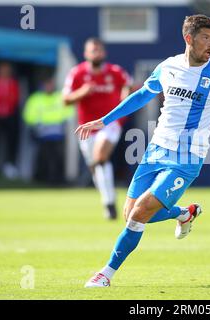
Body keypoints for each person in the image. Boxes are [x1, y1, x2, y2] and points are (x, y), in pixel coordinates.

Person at [75, 14, 210, 288]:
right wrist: (104, 120)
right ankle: (184, 212)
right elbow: (142, 95)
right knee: (130, 212)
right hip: (155, 151)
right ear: (188, 38)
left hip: (187, 158)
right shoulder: (168, 67)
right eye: (205, 37)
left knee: (138, 215)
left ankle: (105, 274)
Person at [63, 38, 132, 220]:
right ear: (86, 54)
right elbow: (65, 100)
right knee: (96, 166)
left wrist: (125, 95)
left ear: (104, 53)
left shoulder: (115, 72)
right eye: (93, 51)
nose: (96, 54)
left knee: (101, 157)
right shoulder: (77, 74)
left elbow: (130, 86)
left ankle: (109, 205)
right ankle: (108, 201)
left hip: (109, 124)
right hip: (86, 128)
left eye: (99, 50)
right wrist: (82, 92)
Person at [23, 78, 75, 184]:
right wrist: (38, 124)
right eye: (47, 84)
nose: (49, 87)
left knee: (58, 157)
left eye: (50, 84)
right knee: (42, 157)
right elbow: (28, 116)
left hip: (58, 133)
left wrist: (61, 122)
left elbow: (70, 113)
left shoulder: (60, 97)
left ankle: (57, 179)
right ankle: (40, 178)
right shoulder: (35, 98)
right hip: (42, 133)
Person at [0, 62, 20, 179]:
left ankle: (9, 165)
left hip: (9, 116)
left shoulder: (13, 83)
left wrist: (5, 100)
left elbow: (14, 99)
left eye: (7, 70)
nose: (5, 72)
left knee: (10, 141)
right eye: (3, 70)